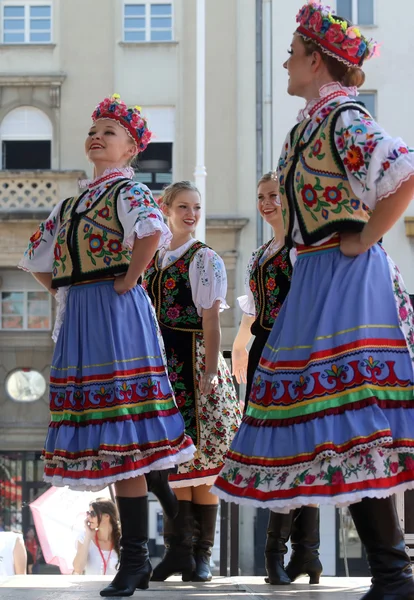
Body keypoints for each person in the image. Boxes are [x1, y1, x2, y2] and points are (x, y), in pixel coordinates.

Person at [212, 3, 414, 598]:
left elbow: (402, 174)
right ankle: (390, 570)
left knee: (350, 411)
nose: (284, 62)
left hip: (345, 275)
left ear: (317, 60)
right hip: (320, 273)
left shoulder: (342, 118)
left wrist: (364, 238)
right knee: (328, 420)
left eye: (293, 53)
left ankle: (393, 571)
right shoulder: (310, 123)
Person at [19, 94, 195, 597]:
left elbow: (153, 231)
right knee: (112, 442)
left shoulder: (128, 190)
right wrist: (65, 289)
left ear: (131, 147)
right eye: (94, 129)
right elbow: (37, 255)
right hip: (84, 314)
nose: (97, 136)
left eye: (110, 132)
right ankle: (137, 558)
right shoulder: (70, 203)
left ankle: (137, 558)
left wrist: (129, 279)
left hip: (118, 314)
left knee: (127, 437)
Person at [143, 181, 242, 582]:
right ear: (165, 207)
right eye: (183, 206)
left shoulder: (205, 259)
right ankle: (177, 550)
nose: (191, 214)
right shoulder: (152, 257)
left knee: (203, 457)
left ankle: (200, 555)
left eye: (196, 207)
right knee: (172, 459)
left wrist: (210, 370)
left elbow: (212, 320)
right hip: (159, 362)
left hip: (195, 357)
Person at [232, 172, 321, 585]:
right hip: (264, 350)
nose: (266, 203)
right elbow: (254, 312)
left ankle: (288, 554)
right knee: (278, 449)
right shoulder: (260, 254)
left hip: (296, 351)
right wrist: (239, 344)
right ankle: (302, 556)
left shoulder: (304, 248)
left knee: (300, 448)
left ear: (289, 199)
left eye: (273, 196)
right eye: (261, 197)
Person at [73, 499, 120, 576]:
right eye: (88, 513)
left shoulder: (122, 540)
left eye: (93, 513)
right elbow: (78, 569)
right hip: (91, 588)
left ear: (107, 516)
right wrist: (88, 536)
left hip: (116, 587)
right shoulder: (84, 537)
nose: (88, 517)